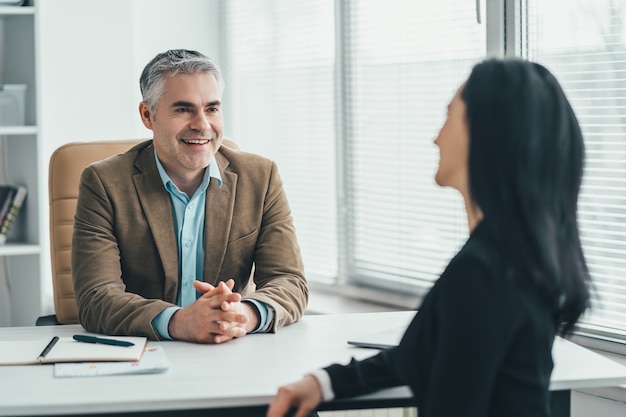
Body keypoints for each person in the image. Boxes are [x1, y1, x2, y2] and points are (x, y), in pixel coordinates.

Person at [267, 58, 592, 417]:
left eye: (449, 115)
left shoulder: (482, 273)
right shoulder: (511, 256)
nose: (436, 137)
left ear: (483, 133)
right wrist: (323, 382)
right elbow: (417, 353)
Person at [72, 49, 309, 344]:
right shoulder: (104, 183)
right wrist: (180, 321)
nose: (202, 124)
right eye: (184, 109)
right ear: (148, 115)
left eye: (211, 109)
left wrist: (242, 315)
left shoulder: (261, 178)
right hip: (144, 351)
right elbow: (96, 298)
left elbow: (290, 282)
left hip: (230, 348)